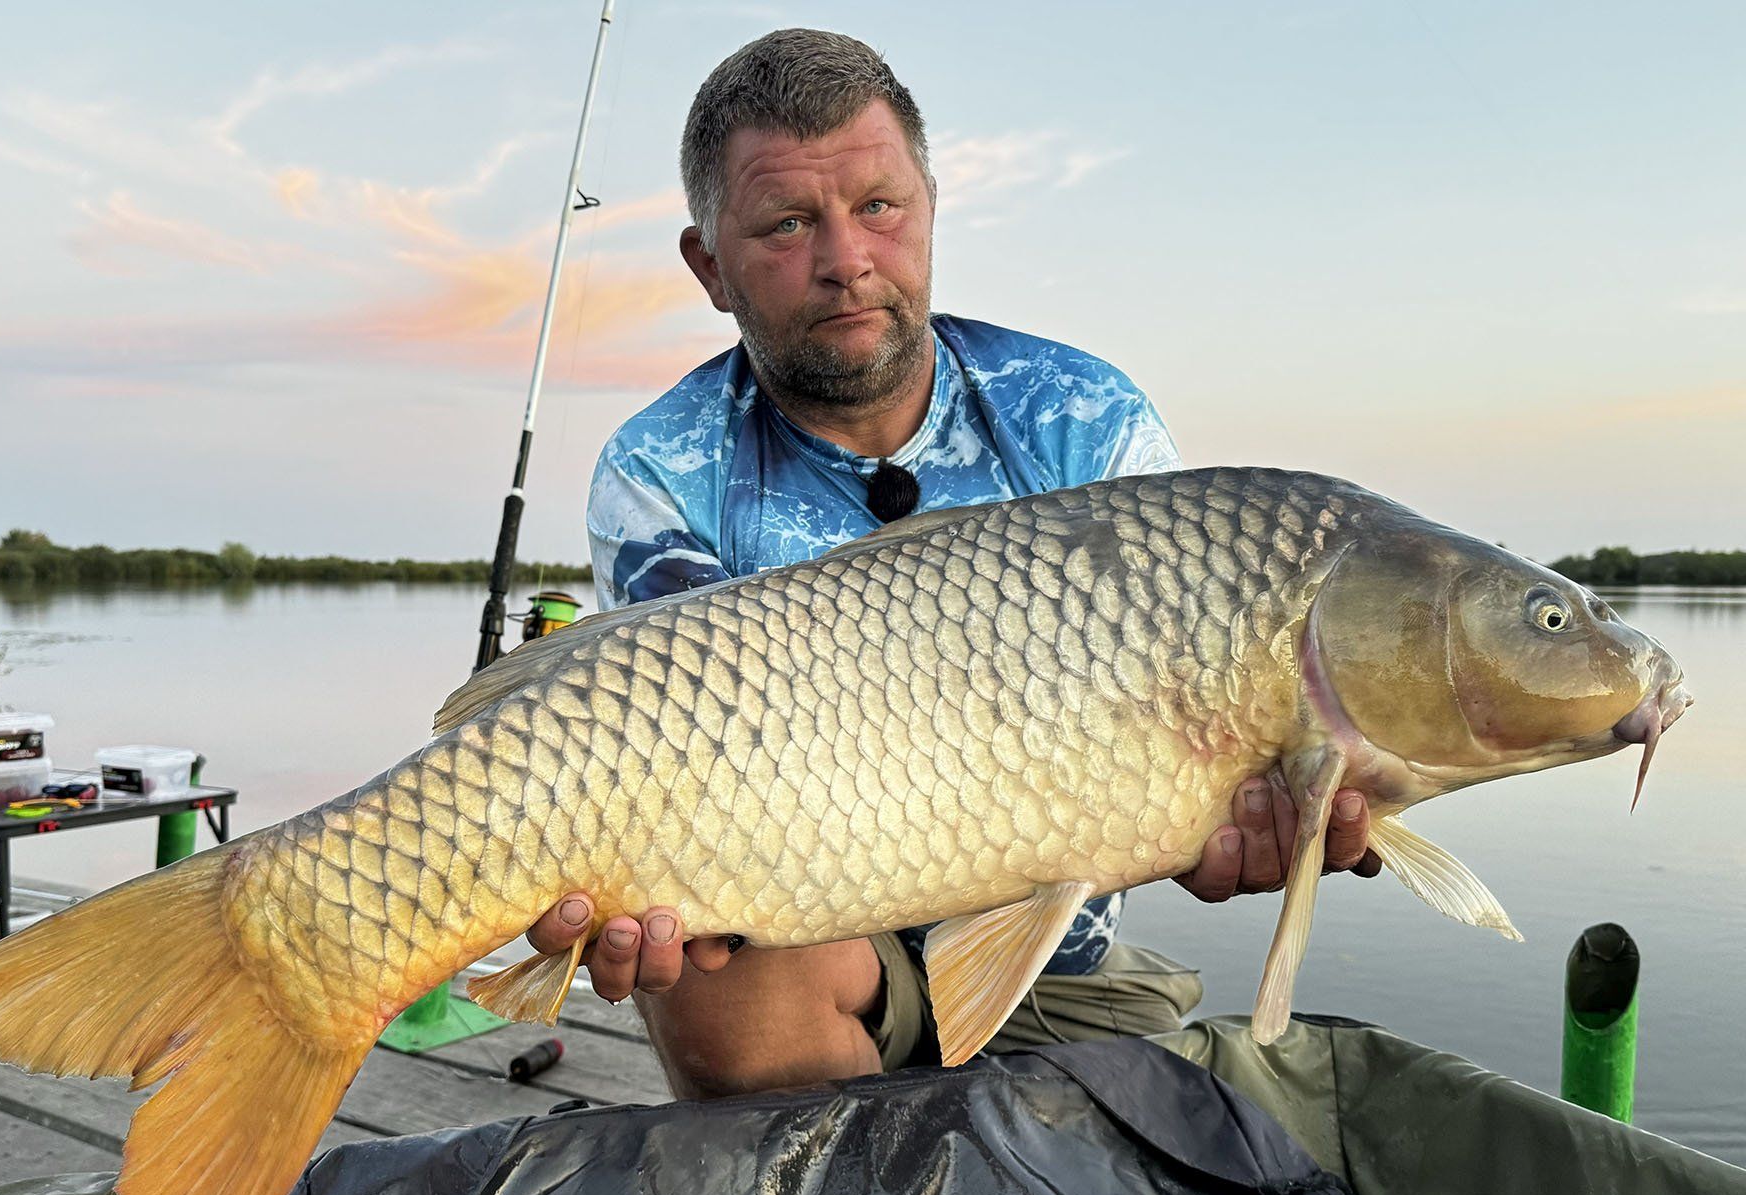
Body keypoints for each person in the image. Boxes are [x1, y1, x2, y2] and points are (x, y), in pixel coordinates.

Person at [528, 29, 1378, 1099]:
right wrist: (621, 887)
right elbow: (696, 779)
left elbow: (1197, 748)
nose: (847, 259)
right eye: (788, 224)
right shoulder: (664, 468)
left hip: (1061, 967)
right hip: (821, 957)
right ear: (710, 266)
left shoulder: (1085, 420)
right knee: (708, 972)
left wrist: (1231, 829)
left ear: (928, 203)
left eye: (878, 206)